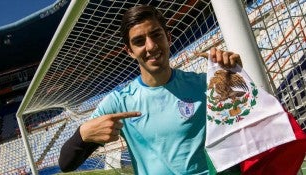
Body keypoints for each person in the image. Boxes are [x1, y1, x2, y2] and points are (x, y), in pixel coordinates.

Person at [59, 5, 242, 174]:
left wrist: (235, 74)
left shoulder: (205, 84)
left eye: (156, 35)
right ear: (130, 51)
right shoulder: (119, 102)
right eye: (139, 41)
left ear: (168, 37)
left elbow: (251, 122)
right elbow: (66, 164)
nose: (151, 46)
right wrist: (82, 134)